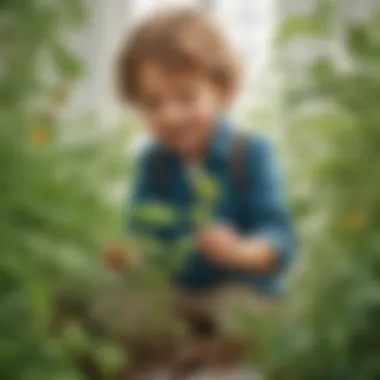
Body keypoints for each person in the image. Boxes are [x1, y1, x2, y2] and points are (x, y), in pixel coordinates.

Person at [108, 7, 296, 377]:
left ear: (222, 90)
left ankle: (205, 353)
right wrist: (129, 252)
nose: (170, 115)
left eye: (186, 98)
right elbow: (141, 229)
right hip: (180, 292)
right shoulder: (154, 161)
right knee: (122, 305)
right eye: (153, 103)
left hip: (238, 288)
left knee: (247, 313)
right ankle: (187, 349)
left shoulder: (250, 152)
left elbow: (279, 237)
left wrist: (242, 252)